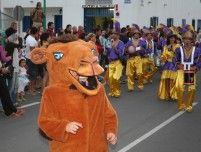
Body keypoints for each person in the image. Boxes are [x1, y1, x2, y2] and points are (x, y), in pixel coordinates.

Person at [30, 38, 118, 151]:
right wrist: (64, 127)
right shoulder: (51, 93)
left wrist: (110, 131)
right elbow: (44, 122)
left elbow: (108, 114)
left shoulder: (97, 89)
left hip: (97, 147)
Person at [175, 31, 201, 112]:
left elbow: (200, 61)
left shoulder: (196, 50)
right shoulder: (178, 49)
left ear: (192, 40)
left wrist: (196, 67)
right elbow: (175, 59)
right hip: (181, 70)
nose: (187, 40)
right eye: (185, 39)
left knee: (191, 89)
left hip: (190, 71)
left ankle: (189, 106)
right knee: (179, 87)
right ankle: (181, 105)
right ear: (183, 40)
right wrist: (177, 64)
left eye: (189, 39)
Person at [106, 32, 124, 97]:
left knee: (115, 78)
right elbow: (108, 52)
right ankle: (112, 91)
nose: (113, 35)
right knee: (110, 78)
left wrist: (115, 48)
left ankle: (117, 91)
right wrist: (108, 55)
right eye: (112, 34)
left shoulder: (121, 43)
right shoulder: (110, 41)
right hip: (111, 62)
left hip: (118, 62)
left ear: (118, 35)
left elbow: (120, 53)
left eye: (115, 34)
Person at [25, 27, 38, 95]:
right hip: (31, 59)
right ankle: (31, 90)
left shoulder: (28, 37)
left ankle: (32, 89)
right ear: (36, 33)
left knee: (31, 74)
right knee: (32, 75)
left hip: (28, 58)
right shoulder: (32, 40)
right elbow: (32, 50)